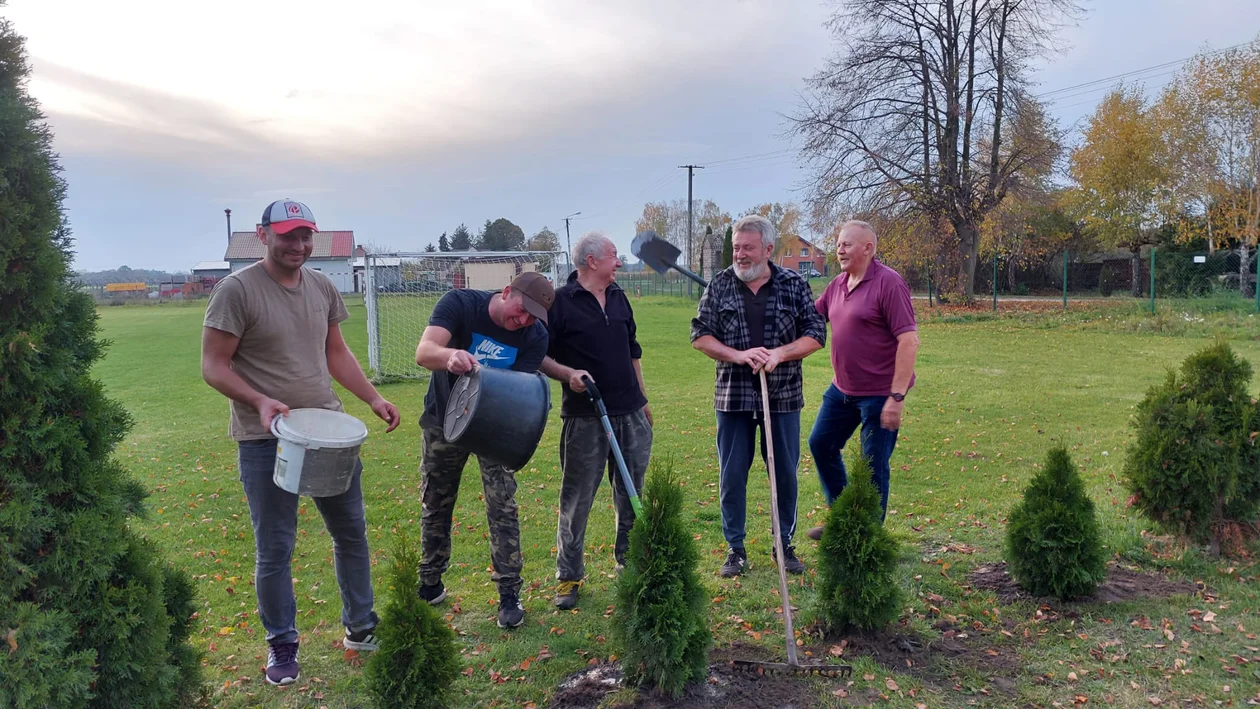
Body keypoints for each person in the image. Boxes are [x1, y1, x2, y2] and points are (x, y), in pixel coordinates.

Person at [201, 199, 401, 687]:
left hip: (329, 434)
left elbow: (336, 351)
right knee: (275, 548)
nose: (299, 245)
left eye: (306, 235)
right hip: (267, 438)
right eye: (288, 235)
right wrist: (260, 401)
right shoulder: (236, 291)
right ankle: (282, 645)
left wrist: (373, 399)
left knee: (351, 534)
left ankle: (361, 628)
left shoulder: (322, 286)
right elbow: (214, 365)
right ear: (263, 234)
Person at [412, 271, 553, 628]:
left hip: (495, 428)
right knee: (436, 502)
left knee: (503, 505)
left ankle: (509, 594)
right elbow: (424, 351)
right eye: (521, 311)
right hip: (443, 420)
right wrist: (450, 357)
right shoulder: (461, 304)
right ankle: (430, 582)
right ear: (506, 292)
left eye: (532, 318)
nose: (523, 321)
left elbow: (519, 396)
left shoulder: (534, 337)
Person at [690, 215, 826, 577]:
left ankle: (784, 543)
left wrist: (780, 353)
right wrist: (738, 355)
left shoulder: (793, 284)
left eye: (748, 248)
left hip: (782, 397)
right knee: (732, 474)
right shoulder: (720, 285)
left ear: (768, 249)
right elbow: (700, 335)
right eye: (736, 248)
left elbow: (816, 332)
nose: (740, 255)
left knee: (783, 473)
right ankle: (735, 549)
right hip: (732, 397)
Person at [540, 232, 653, 610]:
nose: (619, 263)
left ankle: (630, 564)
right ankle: (569, 576)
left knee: (631, 492)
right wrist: (568, 374)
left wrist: (643, 397)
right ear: (592, 261)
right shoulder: (559, 302)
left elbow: (633, 349)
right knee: (577, 499)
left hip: (630, 412)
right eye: (613, 257)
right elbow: (539, 356)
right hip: (585, 417)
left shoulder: (620, 297)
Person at [806, 220, 920, 540]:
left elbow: (909, 341)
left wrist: (896, 398)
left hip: (880, 394)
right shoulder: (838, 284)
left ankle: (867, 536)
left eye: (847, 244)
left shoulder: (889, 284)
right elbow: (811, 317)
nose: (839, 249)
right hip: (842, 389)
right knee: (821, 444)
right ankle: (844, 516)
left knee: (873, 466)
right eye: (839, 243)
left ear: (868, 248)